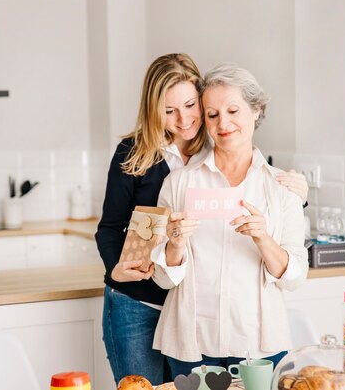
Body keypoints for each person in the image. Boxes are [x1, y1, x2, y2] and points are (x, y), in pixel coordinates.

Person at [95, 54, 308, 385]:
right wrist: (116, 268)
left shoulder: (219, 139)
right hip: (138, 299)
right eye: (169, 111)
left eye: (191, 106)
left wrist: (298, 194)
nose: (183, 119)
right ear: (154, 111)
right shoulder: (136, 153)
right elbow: (111, 227)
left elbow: (265, 192)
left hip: (191, 310)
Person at [151, 63, 309, 377]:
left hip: (259, 349)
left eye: (233, 110)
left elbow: (293, 278)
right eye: (212, 114)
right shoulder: (178, 184)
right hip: (190, 345)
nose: (223, 123)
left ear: (256, 110)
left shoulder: (282, 187)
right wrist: (176, 243)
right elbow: (163, 278)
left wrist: (263, 238)